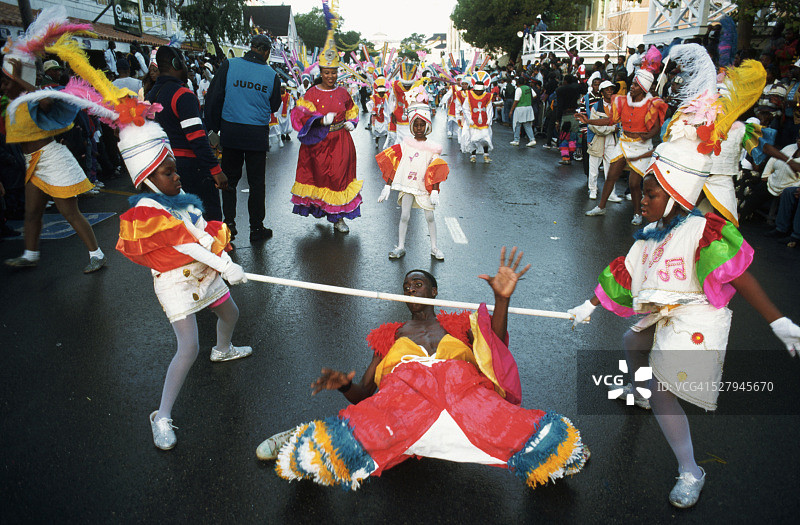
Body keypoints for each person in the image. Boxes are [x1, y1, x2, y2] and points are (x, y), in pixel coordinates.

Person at [568, 49, 800, 509]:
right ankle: (639, 390)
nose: (640, 198)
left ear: (672, 196)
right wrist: (588, 306)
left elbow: (742, 274)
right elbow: (626, 271)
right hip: (663, 298)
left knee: (662, 388)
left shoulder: (702, 230)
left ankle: (691, 470)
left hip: (695, 308)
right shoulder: (652, 233)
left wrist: (778, 321)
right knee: (633, 345)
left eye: (648, 193)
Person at [257, 248, 589, 492]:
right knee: (336, 444)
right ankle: (297, 436)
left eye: (417, 284)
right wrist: (345, 385)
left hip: (467, 398)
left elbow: (496, 349)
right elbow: (365, 396)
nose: (411, 290)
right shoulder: (389, 335)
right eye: (406, 286)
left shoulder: (459, 325)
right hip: (402, 402)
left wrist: (502, 300)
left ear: (434, 291)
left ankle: (556, 450)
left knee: (544, 442)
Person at [116, 119, 251, 451]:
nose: (177, 176)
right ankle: (161, 416)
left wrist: (225, 260)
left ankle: (222, 350)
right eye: (168, 173)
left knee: (230, 314)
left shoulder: (183, 201)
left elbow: (202, 234)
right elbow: (184, 246)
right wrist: (225, 266)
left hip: (203, 271)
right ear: (147, 179)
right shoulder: (147, 209)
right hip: (174, 282)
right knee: (188, 347)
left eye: (175, 170)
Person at [2, 52, 106, 272]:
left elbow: (47, 103)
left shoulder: (36, 96)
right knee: (31, 212)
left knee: (69, 212)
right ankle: (30, 255)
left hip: (52, 158)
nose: (3, 87)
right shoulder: (9, 103)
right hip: (32, 163)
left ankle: (97, 254)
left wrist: (19, 79)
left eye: (5, 83)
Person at [578, 45, 668, 225]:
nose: (631, 87)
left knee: (635, 183)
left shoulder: (651, 104)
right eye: (632, 83)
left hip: (641, 147)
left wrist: (645, 135)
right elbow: (610, 121)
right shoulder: (622, 102)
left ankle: (637, 213)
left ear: (643, 88)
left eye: (635, 84)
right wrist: (588, 121)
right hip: (624, 142)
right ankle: (601, 206)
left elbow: (657, 129)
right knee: (611, 175)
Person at [288, 14, 361, 233]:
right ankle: (324, 210)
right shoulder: (310, 93)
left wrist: (352, 122)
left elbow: (352, 109)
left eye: (334, 72)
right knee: (321, 178)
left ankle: (339, 218)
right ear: (321, 73)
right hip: (318, 143)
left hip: (340, 140)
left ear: (338, 72)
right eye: (327, 72)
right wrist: (319, 120)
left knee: (339, 178)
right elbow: (298, 116)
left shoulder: (342, 92)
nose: (330, 76)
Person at [205, 34, 280, 242]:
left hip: (231, 132)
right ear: (266, 51)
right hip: (256, 135)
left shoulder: (229, 65)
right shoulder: (271, 75)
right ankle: (256, 229)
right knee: (257, 183)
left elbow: (214, 97)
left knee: (229, 180)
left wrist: (213, 130)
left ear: (251, 47)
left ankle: (228, 226)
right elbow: (274, 105)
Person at [147, 46, 227, 223]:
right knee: (208, 220)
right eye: (183, 62)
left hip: (164, 168)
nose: (186, 67)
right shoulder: (183, 95)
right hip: (192, 169)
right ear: (176, 64)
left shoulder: (151, 96)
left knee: (181, 221)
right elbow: (197, 139)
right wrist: (216, 170)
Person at [376, 89, 449, 260]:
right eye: (415, 125)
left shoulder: (433, 148)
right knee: (404, 216)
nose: (418, 128)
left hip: (423, 186)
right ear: (411, 126)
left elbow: (436, 169)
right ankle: (400, 246)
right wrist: (387, 185)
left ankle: (434, 247)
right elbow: (394, 164)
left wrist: (435, 190)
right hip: (408, 185)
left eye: (422, 125)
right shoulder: (405, 145)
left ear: (427, 126)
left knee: (430, 216)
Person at [586, 80, 621, 201]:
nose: (610, 92)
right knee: (594, 167)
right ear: (602, 92)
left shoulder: (616, 106)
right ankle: (593, 190)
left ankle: (611, 193)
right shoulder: (596, 106)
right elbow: (595, 127)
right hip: (597, 140)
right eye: (607, 90)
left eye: (611, 89)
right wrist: (611, 129)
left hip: (611, 140)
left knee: (610, 168)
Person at [461, 70, 494, 163]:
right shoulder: (469, 96)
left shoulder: (487, 96)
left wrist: (489, 120)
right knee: (473, 139)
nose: (478, 93)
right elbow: (465, 108)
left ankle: (486, 155)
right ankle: (473, 155)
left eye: (480, 91)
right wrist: (469, 119)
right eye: (477, 91)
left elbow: (489, 109)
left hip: (484, 121)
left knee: (486, 138)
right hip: (473, 122)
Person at [509, 77, 537, 147]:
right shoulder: (529, 88)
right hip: (529, 107)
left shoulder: (518, 89)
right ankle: (532, 139)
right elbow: (535, 95)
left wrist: (511, 110)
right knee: (527, 124)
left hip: (520, 108)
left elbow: (516, 100)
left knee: (517, 124)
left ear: (517, 83)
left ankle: (516, 140)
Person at [366, 76, 388, 148]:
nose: (382, 94)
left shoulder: (386, 97)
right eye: (380, 92)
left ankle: (386, 144)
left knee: (386, 131)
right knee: (377, 132)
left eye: (383, 92)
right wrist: (372, 111)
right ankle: (376, 143)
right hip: (377, 117)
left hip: (384, 117)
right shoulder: (374, 97)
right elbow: (368, 104)